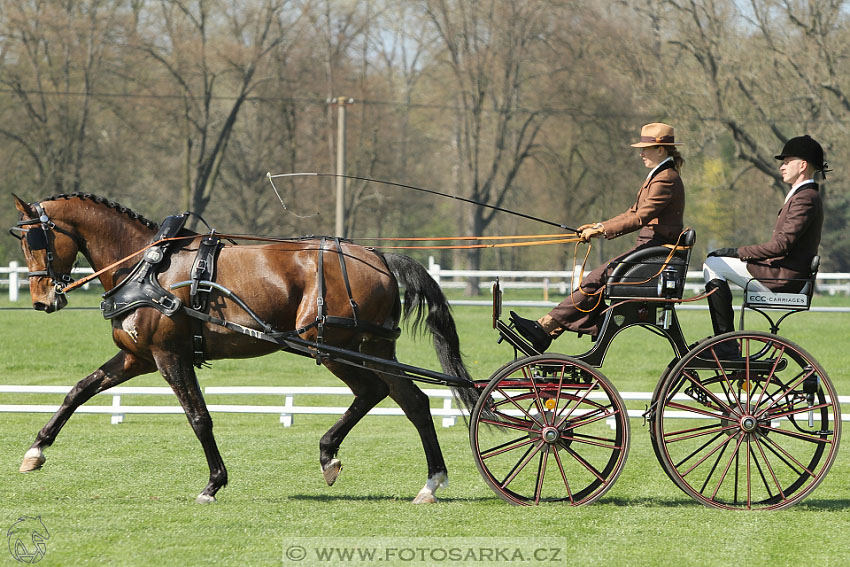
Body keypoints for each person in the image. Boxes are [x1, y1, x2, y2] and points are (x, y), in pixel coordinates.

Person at [512, 122, 686, 352]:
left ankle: (545, 327)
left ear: (661, 150)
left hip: (654, 255)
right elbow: (632, 213)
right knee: (595, 279)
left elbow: (641, 217)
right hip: (648, 251)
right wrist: (599, 225)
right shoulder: (659, 176)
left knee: (595, 279)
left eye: (645, 148)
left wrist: (601, 230)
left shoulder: (665, 178)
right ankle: (548, 328)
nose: (641, 153)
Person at [702, 135, 826, 357]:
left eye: (787, 161)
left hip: (783, 280)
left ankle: (725, 342)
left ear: (803, 165)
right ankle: (725, 340)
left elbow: (780, 246)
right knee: (716, 262)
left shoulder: (805, 198)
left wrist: (737, 253)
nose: (782, 167)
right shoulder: (803, 195)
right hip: (781, 272)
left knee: (714, 264)